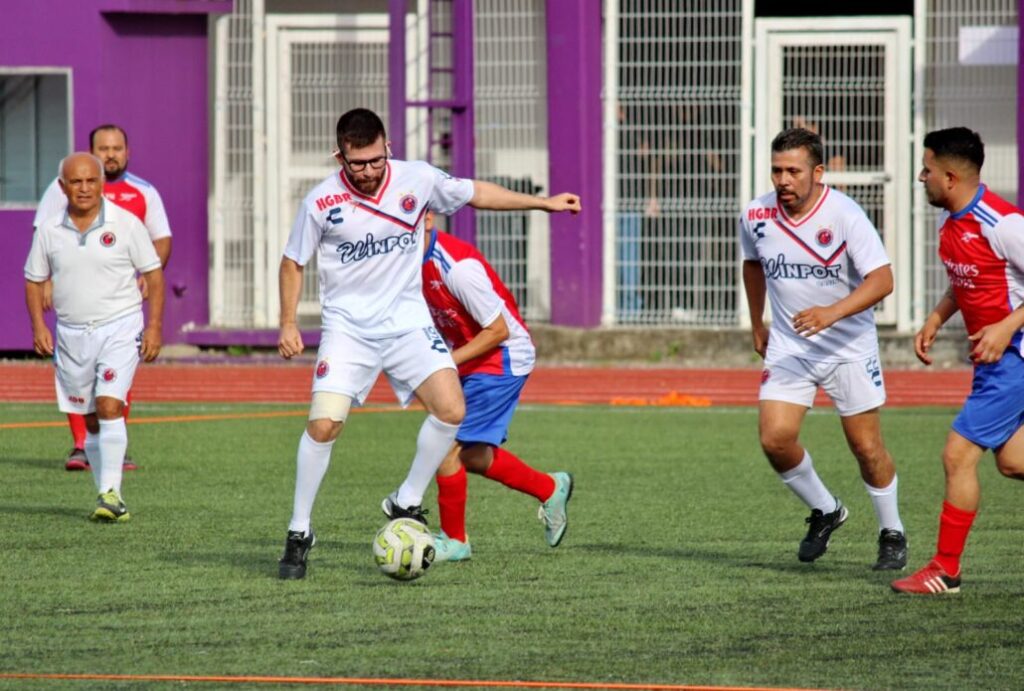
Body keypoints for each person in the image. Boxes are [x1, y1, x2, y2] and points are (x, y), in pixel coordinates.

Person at [276, 108, 580, 579]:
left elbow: (476, 193)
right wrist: (287, 322)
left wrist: (543, 203)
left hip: (406, 324)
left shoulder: (416, 179)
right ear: (340, 156)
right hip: (348, 331)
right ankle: (299, 532)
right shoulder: (319, 202)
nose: (368, 171)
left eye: (375, 160)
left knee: (451, 410)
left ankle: (408, 499)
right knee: (323, 427)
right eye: (357, 164)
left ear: (387, 149)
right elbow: (293, 262)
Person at [740, 127, 907, 570]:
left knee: (866, 448)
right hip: (790, 346)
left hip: (848, 347)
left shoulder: (845, 214)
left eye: (793, 171)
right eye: (777, 170)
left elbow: (882, 280)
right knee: (775, 439)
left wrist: (831, 313)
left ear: (818, 172)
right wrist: (758, 323)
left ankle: (892, 532)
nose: (783, 180)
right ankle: (827, 509)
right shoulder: (756, 213)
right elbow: (753, 264)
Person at [892, 127, 1024, 595]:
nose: (921, 176)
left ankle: (945, 570)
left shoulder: (1003, 222)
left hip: (1015, 359)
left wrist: (1008, 325)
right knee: (1013, 461)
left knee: (957, 454)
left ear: (949, 176)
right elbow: (967, 281)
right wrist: (935, 316)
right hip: (994, 364)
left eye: (926, 169)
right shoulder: (952, 222)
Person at [420, 210, 572, 562]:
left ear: (427, 219)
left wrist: (445, 362)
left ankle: (455, 541)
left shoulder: (456, 267)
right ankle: (550, 488)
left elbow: (499, 330)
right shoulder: (401, 261)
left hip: (502, 356)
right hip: (472, 357)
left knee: (444, 446)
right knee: (470, 455)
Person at [24, 152, 164, 522]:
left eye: (90, 181)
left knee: (108, 405)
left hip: (120, 326)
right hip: (71, 334)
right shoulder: (51, 230)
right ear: (63, 186)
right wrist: (39, 325)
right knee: (88, 420)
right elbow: (34, 279)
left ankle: (112, 492)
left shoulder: (127, 224)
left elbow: (153, 274)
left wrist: (153, 327)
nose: (84, 188)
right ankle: (106, 493)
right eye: (76, 181)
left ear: (102, 184)